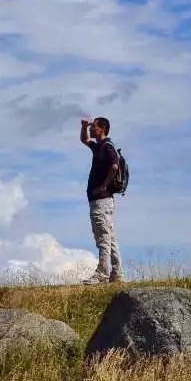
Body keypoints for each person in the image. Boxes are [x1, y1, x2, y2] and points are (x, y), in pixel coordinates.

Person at [80, 117, 122, 284]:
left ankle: (102, 273)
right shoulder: (99, 147)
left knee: (102, 236)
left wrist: (104, 185)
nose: (91, 129)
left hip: (101, 201)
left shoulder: (106, 147)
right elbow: (84, 140)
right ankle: (116, 273)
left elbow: (114, 166)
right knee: (110, 237)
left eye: (93, 127)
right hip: (103, 201)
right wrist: (84, 126)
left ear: (102, 128)